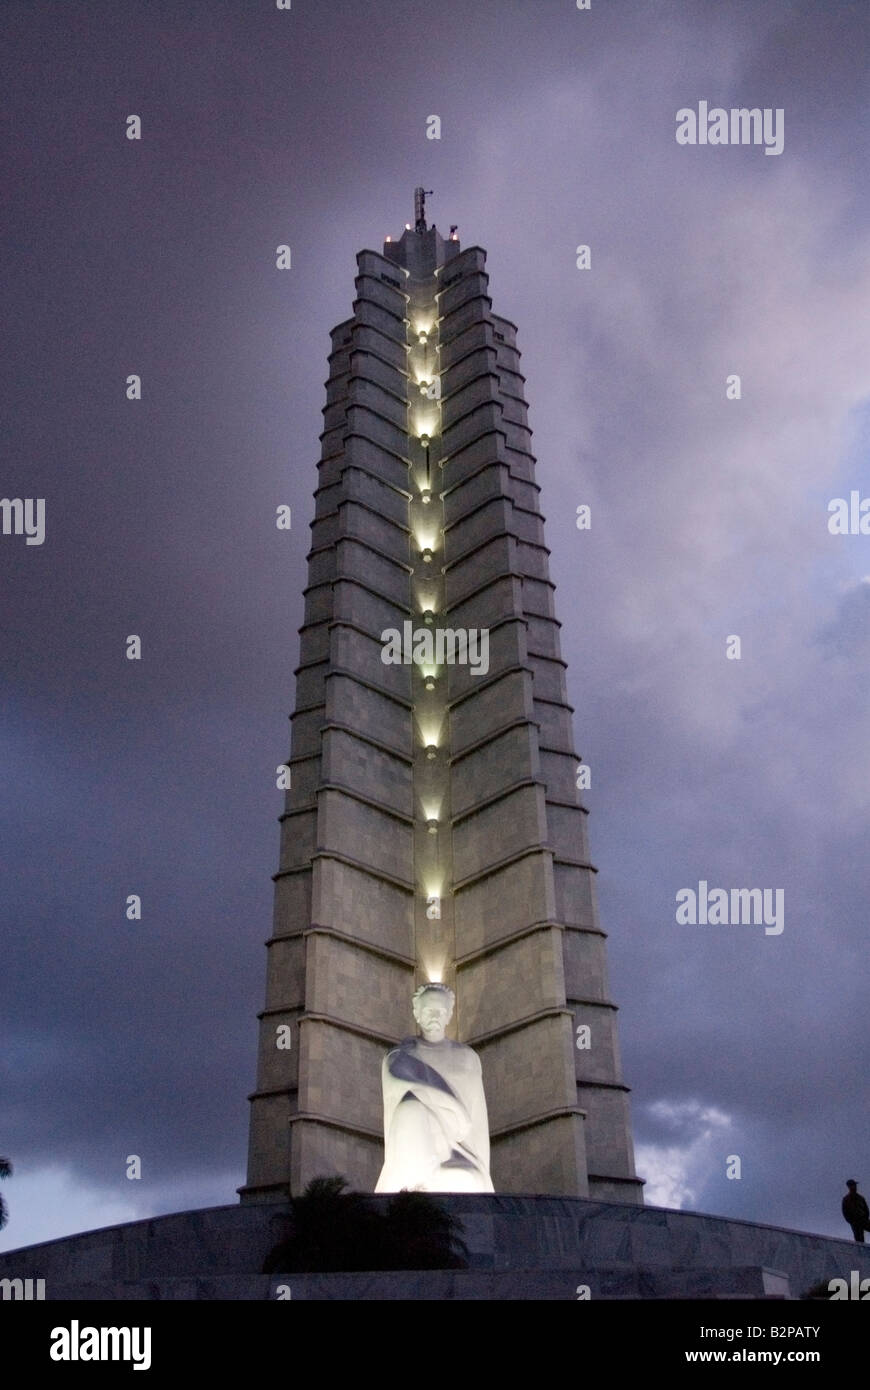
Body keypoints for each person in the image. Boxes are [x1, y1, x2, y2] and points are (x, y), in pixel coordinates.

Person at [375, 983, 494, 1194]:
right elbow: (399, 1086)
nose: (435, 1016)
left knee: (471, 1180)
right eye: (429, 1010)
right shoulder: (400, 1057)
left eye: (441, 1011)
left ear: (449, 1015)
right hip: (415, 1154)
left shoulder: (467, 1058)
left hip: (455, 1153)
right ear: (417, 1013)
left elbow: (478, 1124)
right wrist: (451, 1107)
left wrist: (484, 1174)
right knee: (410, 1109)